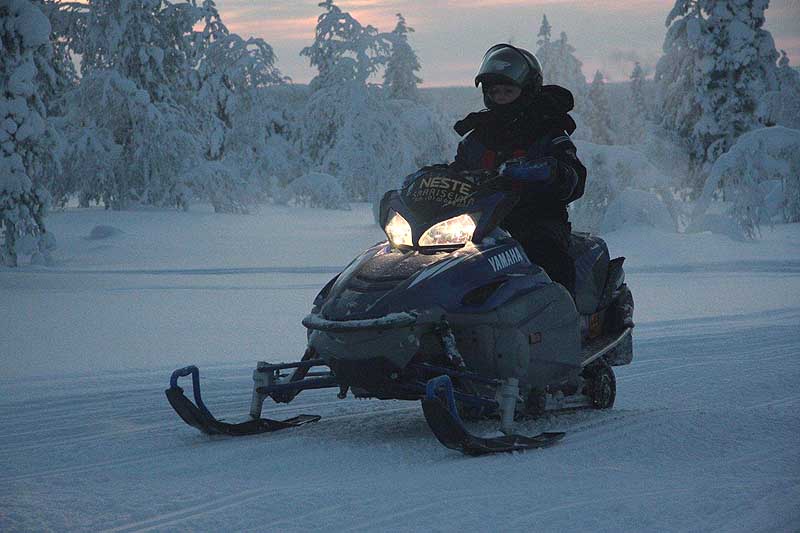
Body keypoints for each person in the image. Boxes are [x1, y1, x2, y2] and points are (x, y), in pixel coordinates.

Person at [449, 43, 586, 296]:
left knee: (546, 254)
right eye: (495, 91)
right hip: (479, 223)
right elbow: (459, 169)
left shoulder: (548, 130)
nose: (500, 97)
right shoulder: (477, 136)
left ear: (526, 91)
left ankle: (566, 319)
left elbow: (575, 177)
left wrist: (550, 171)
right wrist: (435, 176)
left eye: (508, 91)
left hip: (535, 219)